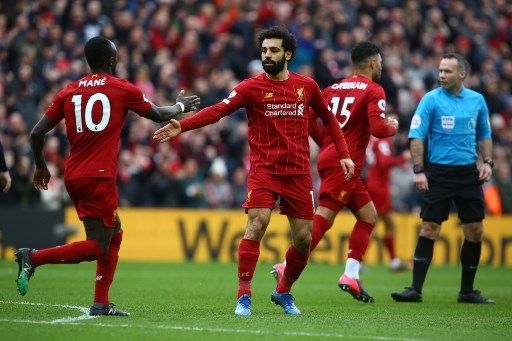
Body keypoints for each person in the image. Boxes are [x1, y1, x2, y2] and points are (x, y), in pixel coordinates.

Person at [153, 26, 355, 316]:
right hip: (264, 170)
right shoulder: (250, 87)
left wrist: (344, 155)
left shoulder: (306, 86)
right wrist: (182, 125)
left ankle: (283, 290)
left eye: (273, 50)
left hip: (298, 173)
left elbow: (330, 120)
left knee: (303, 239)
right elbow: (218, 110)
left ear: (288, 54)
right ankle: (244, 295)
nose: (267, 55)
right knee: (257, 223)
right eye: (264, 51)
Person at [15, 36, 200, 316]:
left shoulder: (69, 91)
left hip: (74, 174)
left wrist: (40, 165)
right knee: (97, 247)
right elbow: (160, 114)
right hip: (99, 177)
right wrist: (181, 107)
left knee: (115, 232)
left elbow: (36, 133)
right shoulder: (122, 89)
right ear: (112, 60)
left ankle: (101, 303)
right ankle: (34, 257)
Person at [271, 41, 399, 303]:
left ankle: (351, 274)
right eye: (381, 63)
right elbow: (377, 129)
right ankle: (286, 264)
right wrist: (393, 126)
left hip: (335, 157)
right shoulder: (374, 90)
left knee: (368, 216)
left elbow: (307, 120)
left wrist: (327, 145)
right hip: (347, 162)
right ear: (374, 63)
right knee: (325, 215)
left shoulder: (332, 89)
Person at [391, 53, 495, 304]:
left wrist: (488, 163)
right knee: (429, 227)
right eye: (440, 70)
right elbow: (416, 136)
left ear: (462, 74)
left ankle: (467, 291)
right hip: (438, 173)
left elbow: (484, 134)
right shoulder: (430, 100)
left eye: (447, 71)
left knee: (475, 230)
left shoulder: (477, 101)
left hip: (468, 174)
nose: (441, 75)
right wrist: (418, 170)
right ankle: (415, 289)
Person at [365, 135, 410, 272]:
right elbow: (384, 162)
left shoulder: (377, 141)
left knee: (380, 224)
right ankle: (359, 260)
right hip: (379, 187)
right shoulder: (383, 141)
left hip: (375, 184)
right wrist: (403, 158)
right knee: (380, 224)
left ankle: (393, 261)